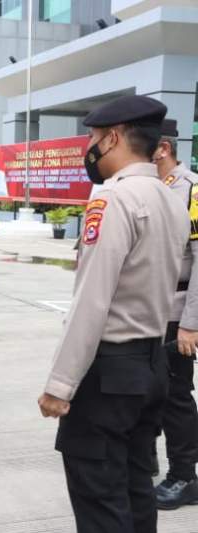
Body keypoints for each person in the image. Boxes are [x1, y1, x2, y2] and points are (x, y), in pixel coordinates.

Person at [38, 95, 188, 533]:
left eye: (92, 138)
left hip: (109, 375)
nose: (89, 148)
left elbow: (92, 300)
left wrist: (59, 385)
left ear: (114, 138)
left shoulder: (114, 200)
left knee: (101, 502)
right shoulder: (171, 200)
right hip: (151, 365)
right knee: (137, 490)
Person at [151, 118, 198, 510]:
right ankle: (145, 458)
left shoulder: (192, 190)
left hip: (175, 313)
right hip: (143, 312)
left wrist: (190, 324)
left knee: (175, 397)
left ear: (163, 148)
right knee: (142, 391)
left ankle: (184, 476)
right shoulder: (145, 187)